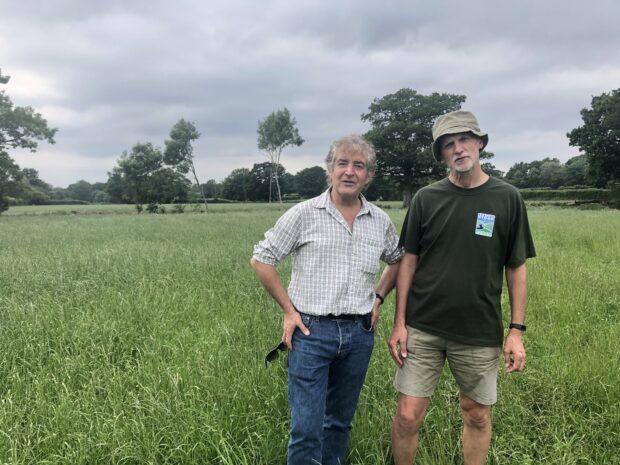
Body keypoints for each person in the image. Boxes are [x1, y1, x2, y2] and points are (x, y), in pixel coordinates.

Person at [388, 111, 536, 465]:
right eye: (448, 145)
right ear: (441, 155)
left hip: (478, 328)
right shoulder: (426, 198)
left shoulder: (507, 198)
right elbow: (408, 261)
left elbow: (516, 268)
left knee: (476, 414)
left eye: (464, 140)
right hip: (423, 325)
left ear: (480, 142)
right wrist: (399, 322)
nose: (458, 149)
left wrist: (516, 331)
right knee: (408, 414)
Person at [251, 134, 403, 465]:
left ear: (369, 175)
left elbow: (398, 260)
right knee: (306, 427)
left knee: (338, 422)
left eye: (358, 166)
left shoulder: (379, 221)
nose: (349, 172)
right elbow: (262, 259)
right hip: (310, 332)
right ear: (330, 169)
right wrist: (289, 311)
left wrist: (378, 297)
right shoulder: (304, 214)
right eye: (342, 163)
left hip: (359, 334)